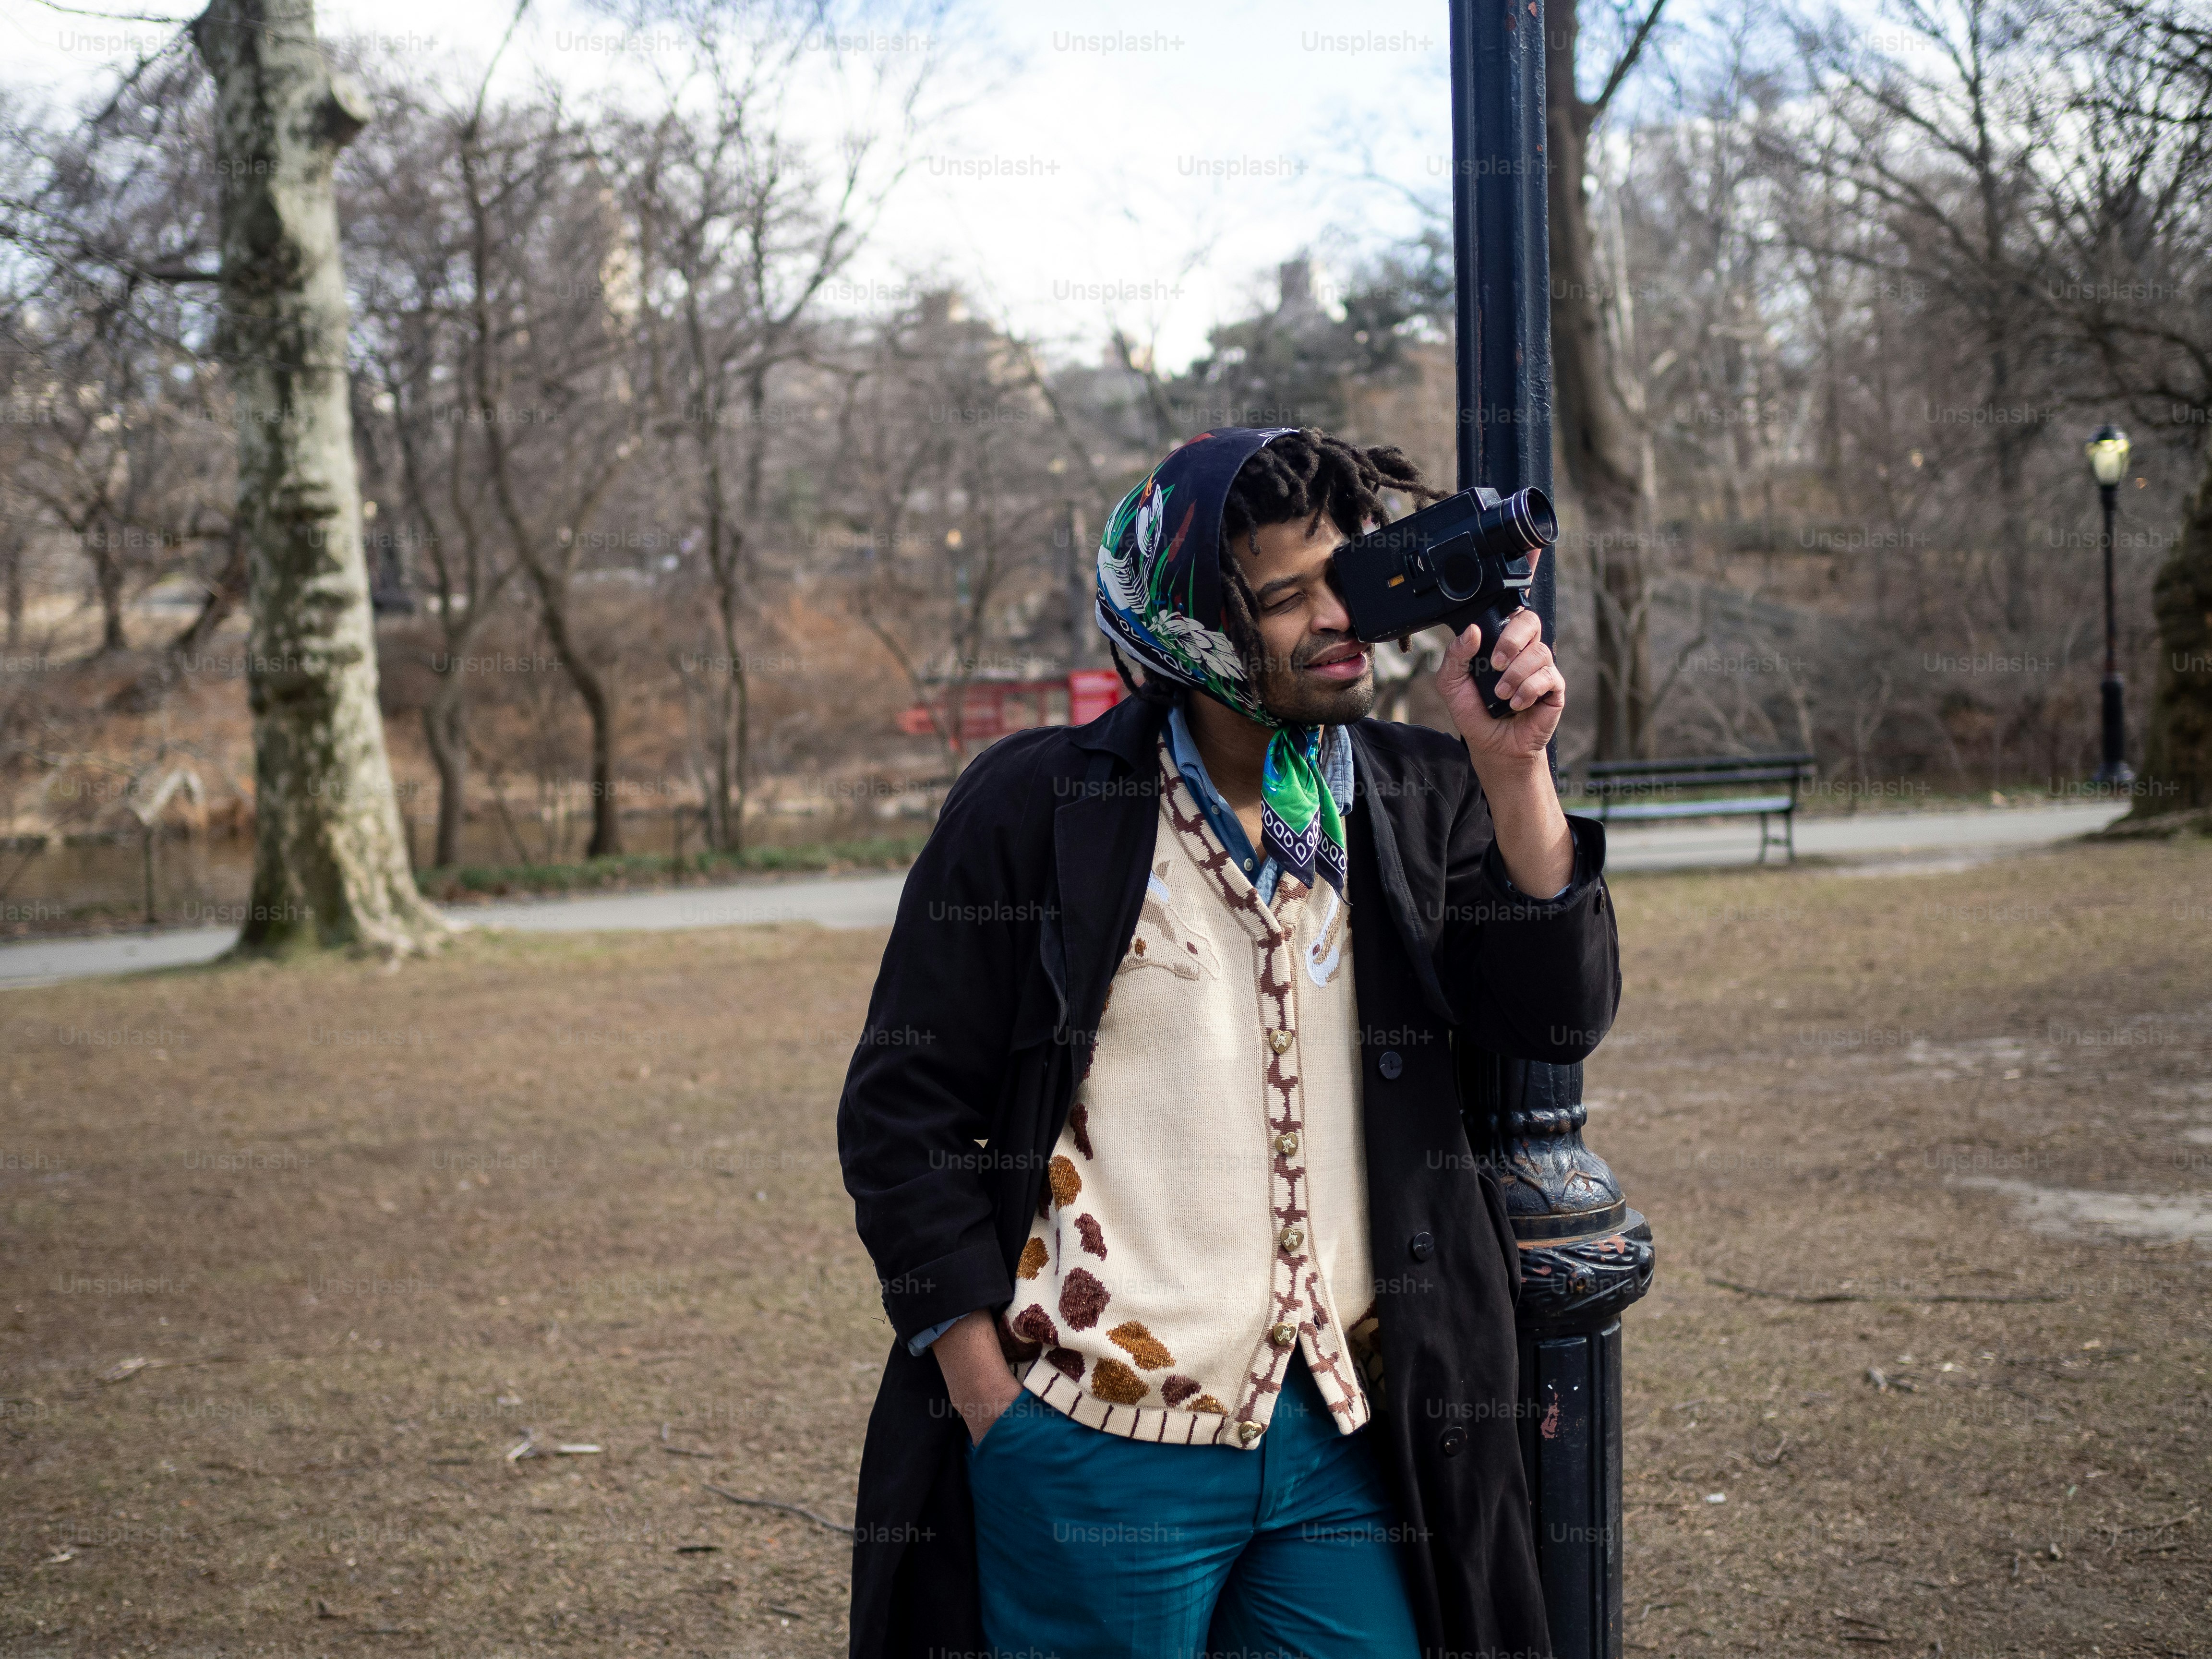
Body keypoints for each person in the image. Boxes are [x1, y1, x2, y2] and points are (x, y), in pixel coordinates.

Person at [838, 426, 1619, 1658]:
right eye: (1284, 597)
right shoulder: (1042, 809)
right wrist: (997, 1407)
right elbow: (902, 1109)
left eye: (1345, 577)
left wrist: (1513, 767)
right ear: (1191, 624)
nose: (1336, 618)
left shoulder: (1411, 794)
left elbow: (1555, 1017)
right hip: (1096, 1441)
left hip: (1344, 1440)